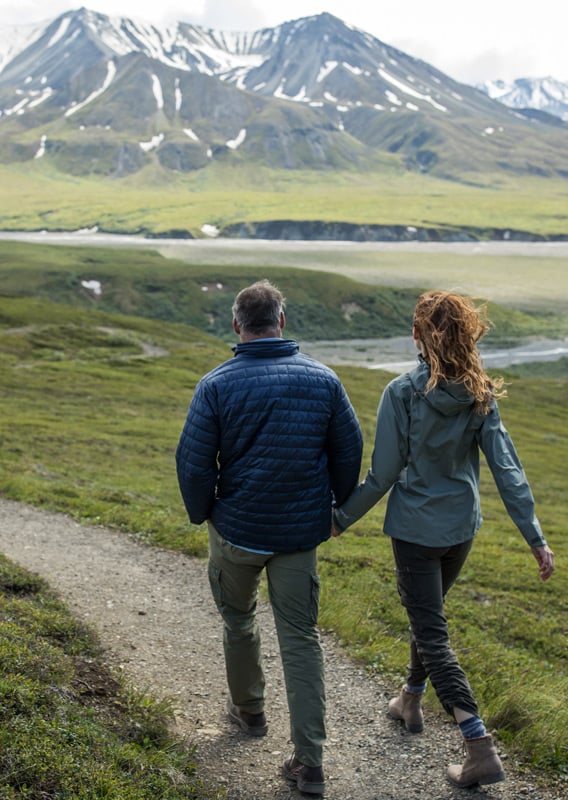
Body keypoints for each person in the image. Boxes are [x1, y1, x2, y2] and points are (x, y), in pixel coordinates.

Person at [331, 289, 555, 789]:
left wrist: (340, 518)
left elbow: (383, 472)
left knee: (432, 632)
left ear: (418, 335)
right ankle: (409, 701)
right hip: (461, 530)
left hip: (415, 531)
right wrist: (535, 538)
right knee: (427, 616)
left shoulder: (402, 392)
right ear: (466, 335)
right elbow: (508, 470)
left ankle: (479, 747)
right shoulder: (480, 394)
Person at [176, 279, 363, 795]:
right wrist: (333, 509)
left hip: (235, 530)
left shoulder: (215, 384)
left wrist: (204, 513)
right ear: (282, 321)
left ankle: (250, 711)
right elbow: (349, 452)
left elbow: (193, 463)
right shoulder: (324, 380)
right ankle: (310, 763)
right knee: (300, 639)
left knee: (238, 619)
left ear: (237, 325)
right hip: (299, 536)